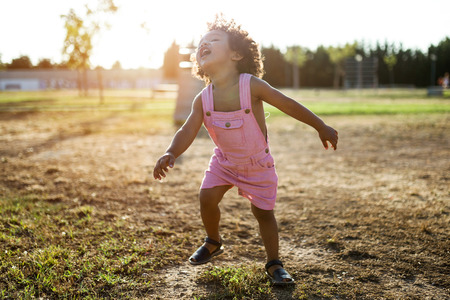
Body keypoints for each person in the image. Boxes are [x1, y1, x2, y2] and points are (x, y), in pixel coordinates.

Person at [153, 15, 338, 286]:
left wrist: (320, 125)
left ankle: (274, 263)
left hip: (257, 164)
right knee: (206, 198)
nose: (204, 44)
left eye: (214, 40)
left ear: (236, 54)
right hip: (224, 162)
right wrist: (171, 152)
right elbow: (187, 131)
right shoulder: (203, 98)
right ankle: (213, 241)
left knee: (263, 213)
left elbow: (287, 103)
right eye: (201, 43)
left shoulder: (250, 85)